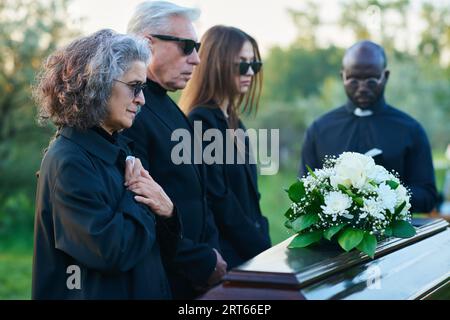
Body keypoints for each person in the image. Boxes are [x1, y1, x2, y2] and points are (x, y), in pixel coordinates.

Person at [32, 29, 181, 299]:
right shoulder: (69, 161)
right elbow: (112, 251)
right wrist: (139, 197)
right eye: (134, 86)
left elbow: (156, 250)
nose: (141, 99)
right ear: (97, 83)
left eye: (143, 88)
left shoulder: (118, 148)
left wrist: (167, 211)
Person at [124, 1, 227, 299]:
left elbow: (199, 195)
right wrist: (201, 262)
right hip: (164, 281)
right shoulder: (130, 111)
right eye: (187, 46)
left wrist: (211, 256)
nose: (196, 59)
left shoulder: (171, 107)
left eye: (197, 47)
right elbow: (140, 209)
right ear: (147, 44)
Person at [299, 40, 438, 213]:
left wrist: (384, 192)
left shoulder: (410, 129)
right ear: (342, 76)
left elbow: (428, 196)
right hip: (331, 240)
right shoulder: (319, 130)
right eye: (353, 80)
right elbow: (304, 193)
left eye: (371, 80)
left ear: (385, 76)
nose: (362, 88)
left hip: (397, 239)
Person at [179, 25, 271, 269]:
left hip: (250, 250)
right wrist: (261, 248)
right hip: (229, 257)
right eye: (241, 63)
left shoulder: (233, 120)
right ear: (216, 64)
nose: (250, 72)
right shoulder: (202, 120)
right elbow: (218, 200)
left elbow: (249, 196)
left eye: (254, 64)